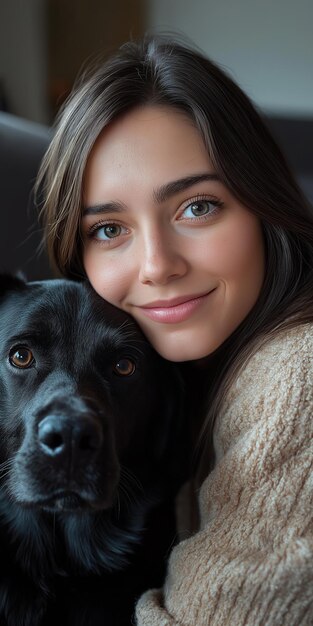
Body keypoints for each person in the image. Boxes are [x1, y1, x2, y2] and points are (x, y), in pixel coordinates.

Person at [37, 34, 313, 625]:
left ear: (263, 206)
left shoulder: (297, 376)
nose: (158, 265)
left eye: (197, 206)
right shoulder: (173, 388)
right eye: (109, 229)